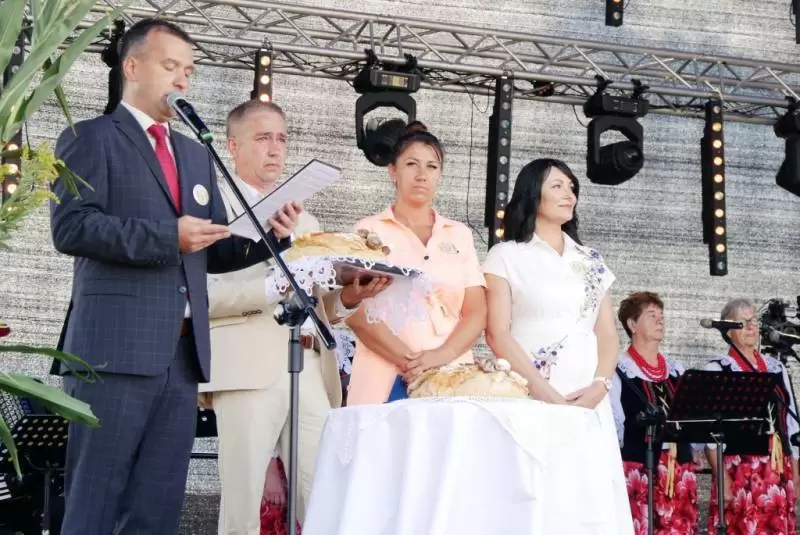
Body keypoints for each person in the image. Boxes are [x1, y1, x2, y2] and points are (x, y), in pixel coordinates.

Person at [49, 19, 301, 535]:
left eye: (188, 70)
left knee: (158, 508)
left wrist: (271, 237)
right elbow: (72, 228)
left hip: (182, 357)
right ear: (132, 67)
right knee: (95, 502)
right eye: (170, 66)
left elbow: (211, 249)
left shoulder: (193, 152)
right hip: (114, 353)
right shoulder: (88, 137)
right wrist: (169, 236)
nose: (183, 79)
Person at [198, 100, 390, 534]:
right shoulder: (214, 207)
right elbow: (199, 295)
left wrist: (350, 297)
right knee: (243, 507)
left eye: (282, 139)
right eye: (263, 138)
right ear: (232, 145)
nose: (275, 149)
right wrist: (271, 287)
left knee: (325, 498)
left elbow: (318, 305)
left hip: (308, 364)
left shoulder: (305, 219)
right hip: (247, 365)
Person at [482, 158, 633, 532]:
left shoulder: (592, 260)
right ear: (533, 193)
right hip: (529, 394)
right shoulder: (506, 255)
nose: (569, 194)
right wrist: (546, 393)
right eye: (557, 186)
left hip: (587, 399)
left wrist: (601, 385)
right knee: (533, 498)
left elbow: (608, 334)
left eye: (571, 187)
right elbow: (497, 333)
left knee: (587, 500)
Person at [345, 122, 487, 405]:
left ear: (440, 175)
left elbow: (477, 311)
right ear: (393, 171)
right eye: (411, 164)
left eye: (432, 167)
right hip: (385, 375)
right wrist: (413, 364)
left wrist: (440, 358)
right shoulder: (368, 229)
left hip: (451, 375)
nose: (422, 175)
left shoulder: (459, 234)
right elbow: (355, 311)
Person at [703, 298, 799, 535]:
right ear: (728, 330)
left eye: (754, 320)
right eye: (743, 322)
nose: (752, 326)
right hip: (738, 469)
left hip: (778, 468)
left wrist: (796, 473)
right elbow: (709, 434)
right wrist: (722, 478)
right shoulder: (718, 369)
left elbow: (791, 425)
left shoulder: (776, 368)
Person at [611, 291, 698, 534]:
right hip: (639, 469)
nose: (660, 320)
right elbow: (614, 426)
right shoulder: (619, 370)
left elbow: (690, 417)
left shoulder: (676, 369)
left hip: (679, 469)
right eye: (651, 315)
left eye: (661, 315)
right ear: (632, 324)